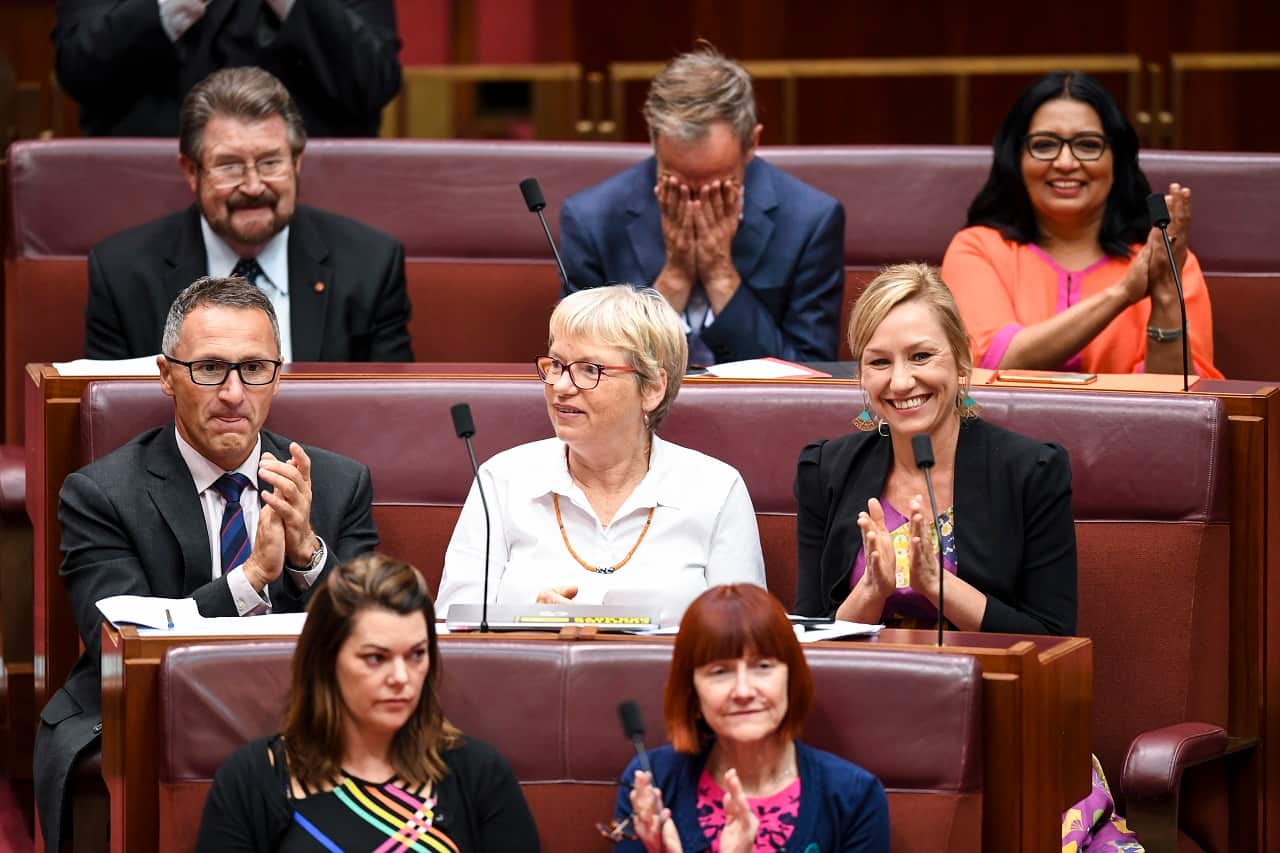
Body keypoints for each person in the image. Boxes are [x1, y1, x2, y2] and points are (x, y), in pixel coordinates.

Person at [34, 276, 381, 852]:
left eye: (254, 369)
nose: (232, 393)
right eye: (209, 369)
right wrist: (249, 581)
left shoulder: (338, 483)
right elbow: (115, 645)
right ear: (166, 375)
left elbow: (377, 632)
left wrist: (307, 556)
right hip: (150, 717)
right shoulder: (101, 493)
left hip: (304, 712)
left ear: (278, 374)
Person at [435, 284, 765, 618]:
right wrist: (525, 626)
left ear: (651, 388)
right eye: (556, 366)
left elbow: (746, 641)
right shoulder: (502, 480)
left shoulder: (716, 490)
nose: (561, 387)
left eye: (589, 370)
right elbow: (453, 630)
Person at [794, 263, 1077, 635]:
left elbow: (1052, 639)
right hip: (858, 687)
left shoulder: (1032, 471)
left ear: (961, 360)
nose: (900, 381)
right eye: (879, 362)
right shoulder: (824, 470)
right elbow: (810, 636)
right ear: (861, 375)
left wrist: (939, 586)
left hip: (990, 685)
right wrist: (870, 592)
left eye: (921, 357)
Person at [196, 553, 540, 851]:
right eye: (376, 658)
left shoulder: (480, 775)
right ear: (326, 662)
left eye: (417, 655)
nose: (402, 678)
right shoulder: (252, 779)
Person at [84, 66, 414, 362]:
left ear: (297, 162)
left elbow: (390, 414)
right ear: (190, 171)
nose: (254, 186)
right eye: (229, 166)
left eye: (271, 162)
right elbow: (112, 419)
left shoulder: (370, 266)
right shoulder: (123, 275)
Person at [559, 47, 845, 366]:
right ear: (654, 143)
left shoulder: (810, 221)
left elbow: (811, 371)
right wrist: (675, 277)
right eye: (677, 183)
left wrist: (721, 274)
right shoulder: (592, 220)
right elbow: (586, 367)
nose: (696, 203)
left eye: (716, 186)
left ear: (752, 144)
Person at [941, 70, 1222, 379]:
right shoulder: (978, 248)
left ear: (1117, 159)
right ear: (1016, 158)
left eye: (1088, 145)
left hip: (1127, 428)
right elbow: (991, 365)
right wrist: (1124, 293)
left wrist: (1166, 294)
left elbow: (1176, 401)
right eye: (1044, 144)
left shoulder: (1165, 260)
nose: (1065, 162)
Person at [611, 584, 889, 852]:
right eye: (720, 672)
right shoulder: (653, 782)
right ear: (692, 692)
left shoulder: (854, 797)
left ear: (790, 679)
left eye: (763, 667)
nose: (743, 691)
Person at [53, 0, 401, 137]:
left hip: (310, 201)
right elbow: (79, 69)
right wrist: (170, 9)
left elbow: (373, 81)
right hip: (151, 199)